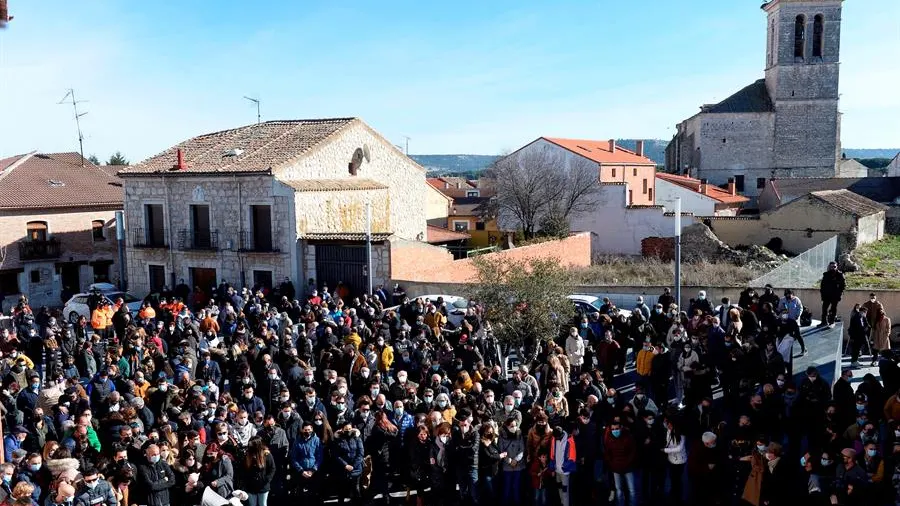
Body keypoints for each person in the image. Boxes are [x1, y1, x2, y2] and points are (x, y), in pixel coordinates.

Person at [819, 261, 846, 327]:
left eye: (834, 267)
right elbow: (822, 286)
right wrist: (822, 295)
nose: (833, 268)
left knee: (833, 309)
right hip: (826, 295)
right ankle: (824, 322)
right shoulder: (826, 274)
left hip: (835, 295)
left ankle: (832, 321)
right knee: (824, 309)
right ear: (829, 267)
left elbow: (843, 286)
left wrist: (839, 294)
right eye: (831, 267)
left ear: (837, 267)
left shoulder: (840, 275)